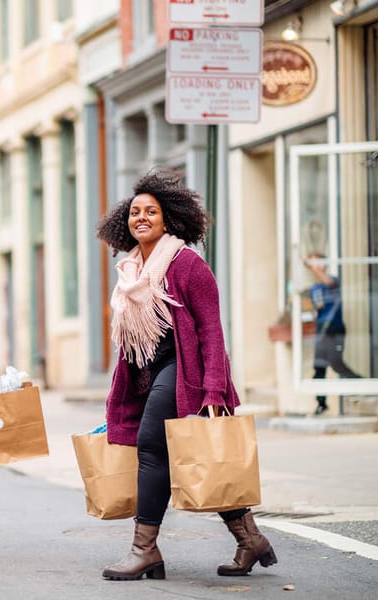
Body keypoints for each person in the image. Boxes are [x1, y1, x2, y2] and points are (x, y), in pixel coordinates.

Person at [95, 168, 277, 581]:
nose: (141, 217)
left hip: (186, 372)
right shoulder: (131, 272)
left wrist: (215, 387)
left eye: (151, 211)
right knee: (193, 455)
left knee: (151, 447)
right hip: (149, 375)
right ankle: (250, 538)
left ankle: (144, 549)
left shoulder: (188, 266)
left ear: (168, 219)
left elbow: (211, 330)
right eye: (134, 212)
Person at [305, 253, 361, 415]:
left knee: (336, 363)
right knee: (319, 367)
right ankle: (321, 403)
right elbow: (318, 309)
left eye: (319, 262)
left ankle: (360, 384)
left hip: (335, 330)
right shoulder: (314, 289)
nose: (316, 266)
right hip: (322, 331)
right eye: (313, 263)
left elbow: (327, 281)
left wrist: (312, 266)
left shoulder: (333, 281)